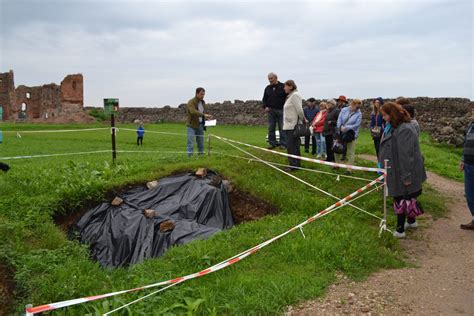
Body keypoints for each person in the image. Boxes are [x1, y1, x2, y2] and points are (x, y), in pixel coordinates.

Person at [378, 102, 427, 238]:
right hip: (396, 167)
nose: (383, 118)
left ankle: (400, 230)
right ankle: (411, 221)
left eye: (385, 115)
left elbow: (406, 156)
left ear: (391, 114)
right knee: (408, 197)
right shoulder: (394, 127)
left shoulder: (404, 129)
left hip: (402, 169)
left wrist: (406, 177)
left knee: (400, 198)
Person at [282, 80, 305, 171]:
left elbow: (299, 110)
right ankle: (296, 164)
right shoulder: (291, 96)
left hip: (292, 125)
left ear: (291, 86)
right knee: (293, 145)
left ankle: (293, 165)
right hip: (289, 124)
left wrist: (303, 120)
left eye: (285, 86)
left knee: (291, 146)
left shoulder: (295, 95)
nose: (284, 88)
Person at [335, 99, 363, 172]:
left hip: (351, 134)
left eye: (359, 107)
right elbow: (339, 119)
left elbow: (357, 125)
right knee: (337, 148)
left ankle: (349, 169)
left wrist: (347, 128)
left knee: (350, 152)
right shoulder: (344, 110)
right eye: (356, 107)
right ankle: (337, 165)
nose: (357, 109)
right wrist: (340, 126)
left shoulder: (359, 114)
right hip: (340, 132)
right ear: (352, 104)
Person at [262, 72, 287, 149]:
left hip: (281, 110)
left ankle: (283, 144)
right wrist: (265, 106)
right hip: (271, 111)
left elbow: (288, 97)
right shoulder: (267, 88)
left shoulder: (283, 86)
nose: (270, 80)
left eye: (271, 78)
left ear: (276, 78)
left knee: (282, 127)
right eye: (269, 79)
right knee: (271, 127)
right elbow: (264, 99)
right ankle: (272, 143)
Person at [186, 87, 213, 157]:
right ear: (197, 93)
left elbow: (203, 113)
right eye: (201, 94)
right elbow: (193, 111)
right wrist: (204, 115)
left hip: (200, 125)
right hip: (191, 125)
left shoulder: (203, 102)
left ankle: (200, 157)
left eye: (204, 94)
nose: (203, 96)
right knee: (190, 143)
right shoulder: (191, 102)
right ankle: (189, 157)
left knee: (201, 143)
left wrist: (207, 118)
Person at [460, 106, 474, 230]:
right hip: (469, 165)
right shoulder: (471, 126)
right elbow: (466, 143)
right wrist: (463, 160)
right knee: (470, 194)